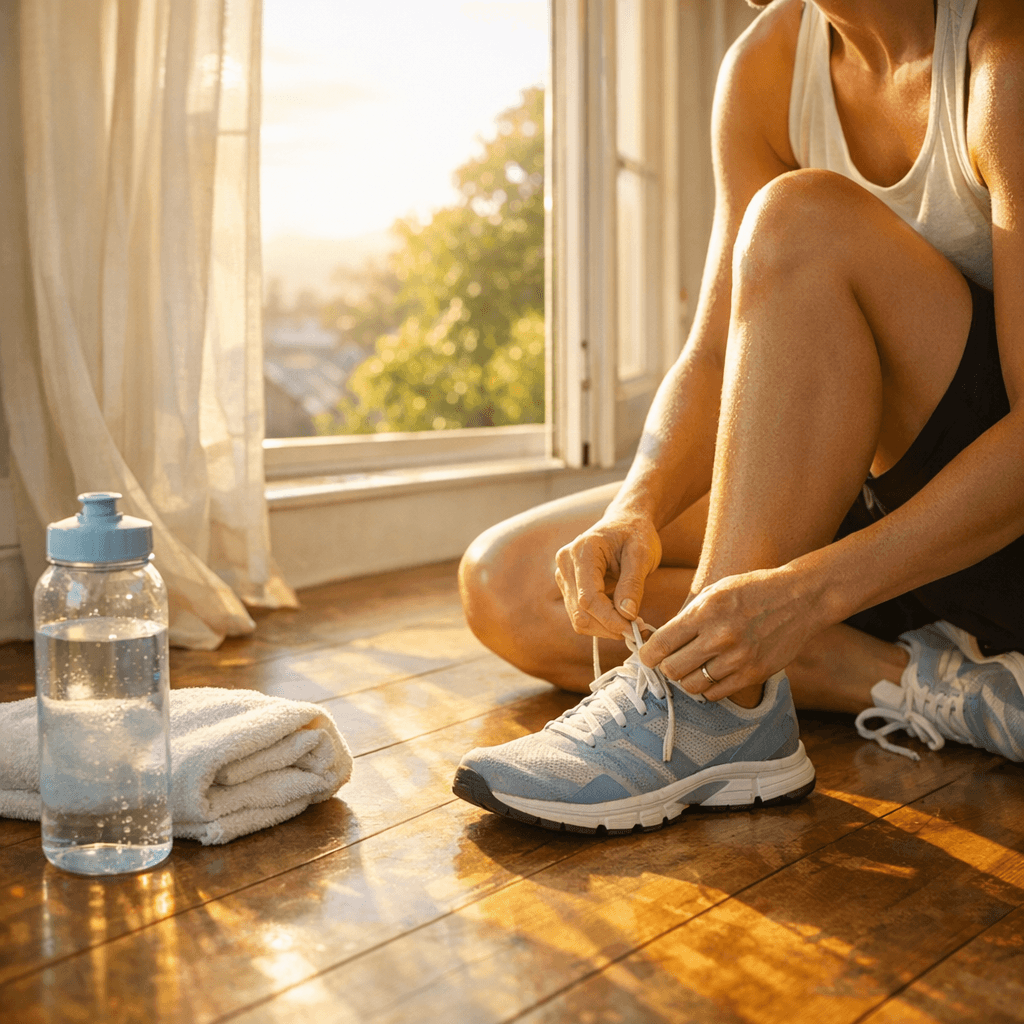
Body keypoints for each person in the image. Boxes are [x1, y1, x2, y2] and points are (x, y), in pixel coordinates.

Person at [451, 0, 1024, 834]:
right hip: (860, 501)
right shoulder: (770, 62)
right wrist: (636, 510)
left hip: (988, 531)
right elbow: (719, 353)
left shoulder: (999, 51)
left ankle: (713, 712)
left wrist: (806, 591)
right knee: (511, 582)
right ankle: (946, 687)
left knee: (805, 218)